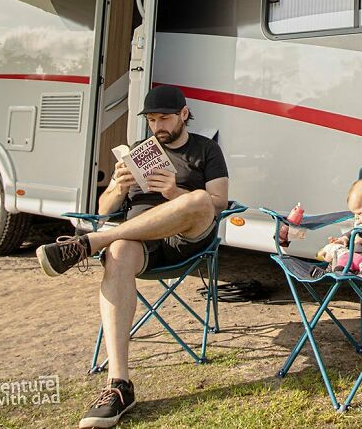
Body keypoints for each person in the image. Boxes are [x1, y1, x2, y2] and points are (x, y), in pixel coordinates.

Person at [36, 85, 228, 429]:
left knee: (198, 199)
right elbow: (104, 207)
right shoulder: (140, 150)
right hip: (137, 240)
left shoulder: (206, 149)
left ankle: (91, 243)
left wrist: (173, 191)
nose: (158, 126)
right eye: (152, 120)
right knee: (120, 249)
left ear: (184, 114)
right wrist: (119, 187)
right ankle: (118, 384)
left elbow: (219, 203)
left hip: (184, 239)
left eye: (165, 118)